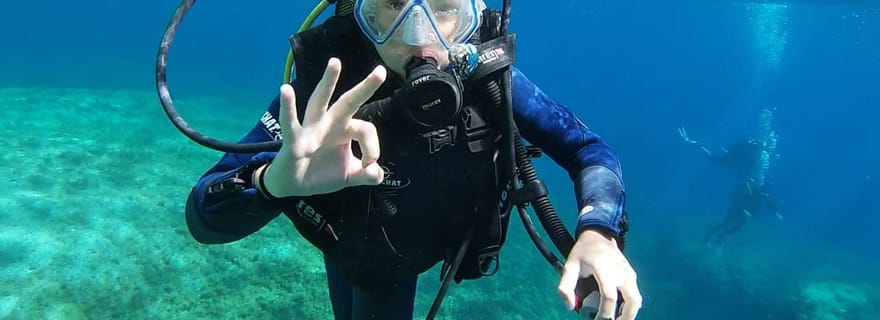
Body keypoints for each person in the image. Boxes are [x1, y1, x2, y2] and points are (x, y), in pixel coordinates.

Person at [184, 0, 642, 319]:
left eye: (445, 8)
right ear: (361, 12)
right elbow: (203, 215)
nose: (418, 35)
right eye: (393, 5)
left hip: (438, 245)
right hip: (367, 262)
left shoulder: (490, 80)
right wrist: (272, 183)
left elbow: (589, 150)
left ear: (473, 17)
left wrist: (599, 231)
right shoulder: (327, 87)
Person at [677, 126, 783, 246]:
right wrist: (744, 208)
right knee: (726, 224)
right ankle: (708, 237)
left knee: (736, 227)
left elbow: (767, 200)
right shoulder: (751, 182)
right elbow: (742, 194)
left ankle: (720, 238)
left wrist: (776, 211)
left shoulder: (756, 186)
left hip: (742, 202)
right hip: (739, 207)